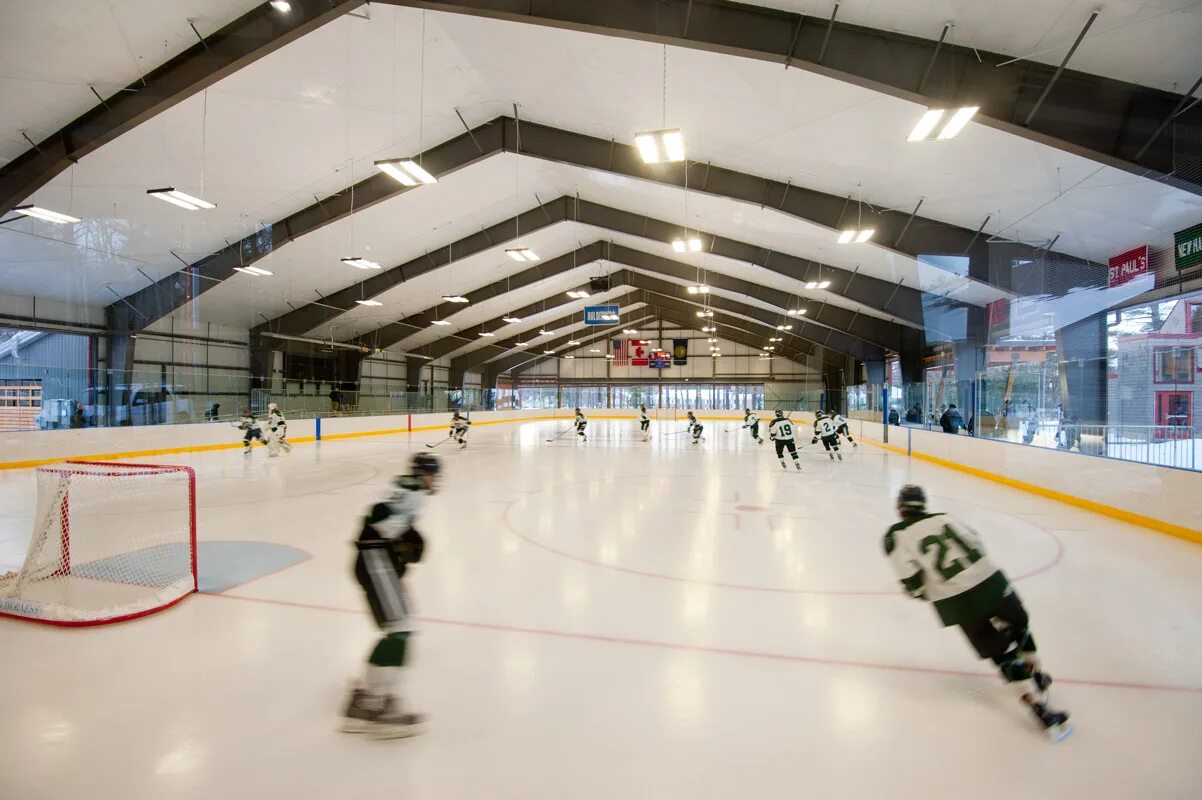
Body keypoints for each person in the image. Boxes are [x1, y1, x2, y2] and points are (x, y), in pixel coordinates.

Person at [883, 485, 1072, 740]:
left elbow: (911, 580)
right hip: (991, 582)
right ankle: (1036, 673)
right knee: (1020, 625)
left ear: (900, 508)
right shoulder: (944, 518)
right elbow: (976, 542)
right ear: (923, 504)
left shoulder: (897, 535)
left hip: (957, 602)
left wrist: (924, 592)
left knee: (1001, 654)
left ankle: (1040, 710)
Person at [342, 452, 440, 739]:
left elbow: (380, 514)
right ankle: (379, 706)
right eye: (432, 473)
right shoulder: (415, 490)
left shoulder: (405, 484)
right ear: (423, 473)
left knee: (400, 626)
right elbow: (381, 517)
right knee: (401, 628)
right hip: (376, 559)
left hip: (374, 558)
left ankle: (367, 698)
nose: (434, 479)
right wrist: (399, 538)